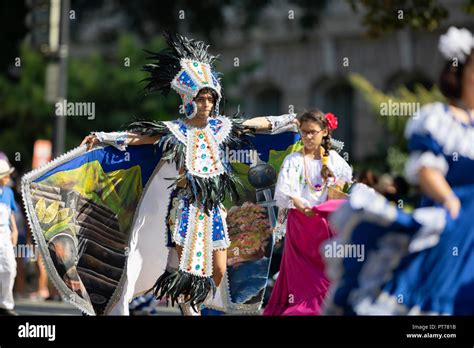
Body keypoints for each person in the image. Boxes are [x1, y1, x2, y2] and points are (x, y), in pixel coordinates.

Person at [81, 32, 298, 315]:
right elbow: (139, 137)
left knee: (219, 269)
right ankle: (189, 310)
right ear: (189, 100)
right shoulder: (176, 130)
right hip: (186, 208)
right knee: (188, 270)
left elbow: (251, 125)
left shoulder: (221, 128)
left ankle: (199, 305)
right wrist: (103, 137)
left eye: (210, 98)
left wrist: (286, 120)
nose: (206, 104)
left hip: (214, 209)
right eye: (201, 98)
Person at [324, 26, 474, 315]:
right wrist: (450, 202)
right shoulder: (440, 120)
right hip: (455, 225)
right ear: (459, 75)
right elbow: (426, 169)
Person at [263, 110, 352, 315]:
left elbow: (345, 183)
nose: (308, 137)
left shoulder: (334, 160)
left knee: (325, 274)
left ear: (324, 132)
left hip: (326, 226)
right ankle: (301, 309)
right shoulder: (293, 160)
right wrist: (300, 204)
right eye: (304, 132)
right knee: (302, 276)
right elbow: (286, 190)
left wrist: (337, 186)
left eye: (313, 132)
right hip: (301, 225)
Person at [0, 159, 19, 315]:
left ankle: (6, 304)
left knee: (10, 268)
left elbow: (11, 213)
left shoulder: (8, 192)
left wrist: (15, 230)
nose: (8, 178)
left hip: (5, 233)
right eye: (6, 175)